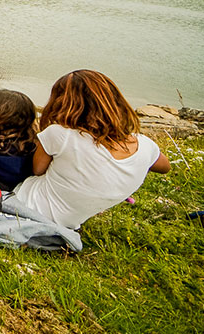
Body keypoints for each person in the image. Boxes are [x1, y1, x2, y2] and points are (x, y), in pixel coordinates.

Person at [10, 70, 171, 229]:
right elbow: (164, 167)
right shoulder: (145, 146)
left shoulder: (60, 134)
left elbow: (37, 170)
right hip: (69, 222)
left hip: (23, 206)